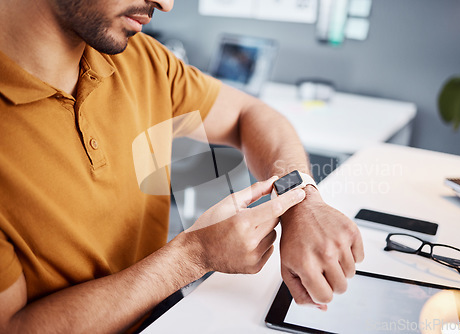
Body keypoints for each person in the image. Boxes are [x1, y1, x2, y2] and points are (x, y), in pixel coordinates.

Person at [0, 0, 364, 332]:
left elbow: (248, 114)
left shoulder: (141, 58)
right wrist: (194, 255)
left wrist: (302, 202)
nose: (166, 4)